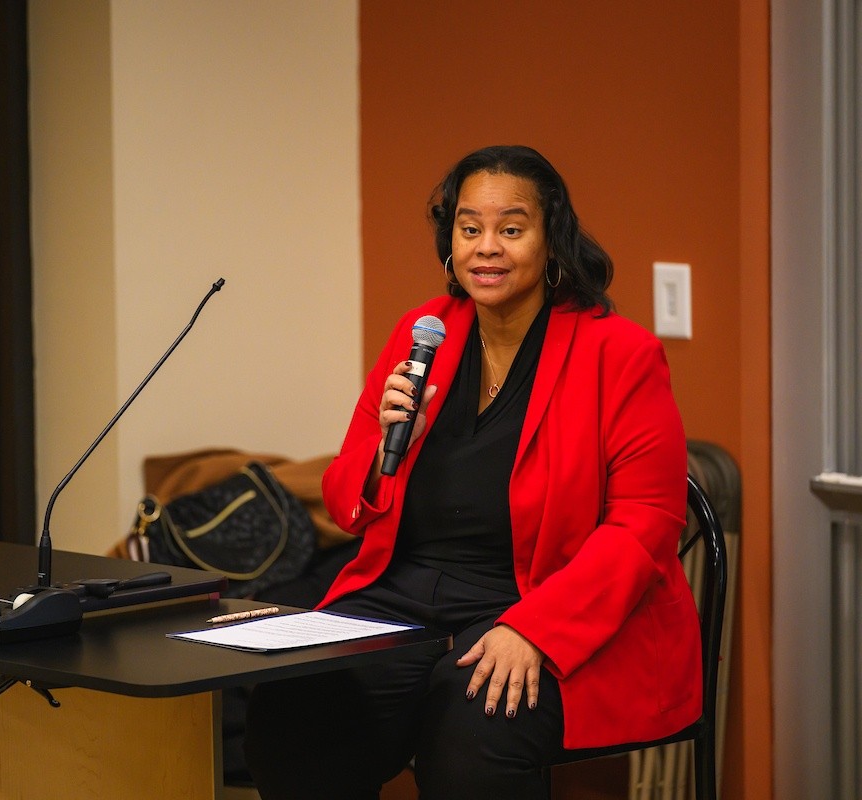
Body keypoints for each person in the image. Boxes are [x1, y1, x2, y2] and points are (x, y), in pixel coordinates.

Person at [244, 145, 701, 799]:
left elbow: (646, 524)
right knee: (294, 715)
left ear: (551, 240)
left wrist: (535, 628)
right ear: (449, 240)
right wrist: (384, 452)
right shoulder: (422, 334)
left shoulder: (619, 353)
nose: (487, 247)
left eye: (511, 229)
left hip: (538, 603)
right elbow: (345, 498)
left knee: (473, 727)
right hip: (402, 601)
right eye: (469, 228)